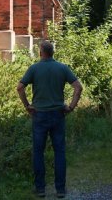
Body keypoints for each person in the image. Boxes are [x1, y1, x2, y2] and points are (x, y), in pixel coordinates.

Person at [17, 41, 83, 199]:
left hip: (39, 115)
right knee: (59, 151)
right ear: (53, 52)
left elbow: (20, 87)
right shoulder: (62, 68)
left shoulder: (34, 68)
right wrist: (71, 106)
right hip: (58, 114)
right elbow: (78, 87)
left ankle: (40, 189)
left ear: (41, 52)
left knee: (38, 152)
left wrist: (27, 106)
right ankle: (60, 189)